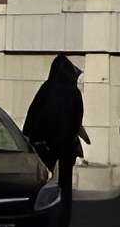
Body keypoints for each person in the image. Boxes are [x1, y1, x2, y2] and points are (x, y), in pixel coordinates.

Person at [24, 54, 86, 195]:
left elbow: (32, 114)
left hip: (45, 144)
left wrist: (27, 136)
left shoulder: (46, 89)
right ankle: (64, 211)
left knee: (43, 183)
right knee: (65, 183)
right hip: (66, 145)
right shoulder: (73, 91)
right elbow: (77, 118)